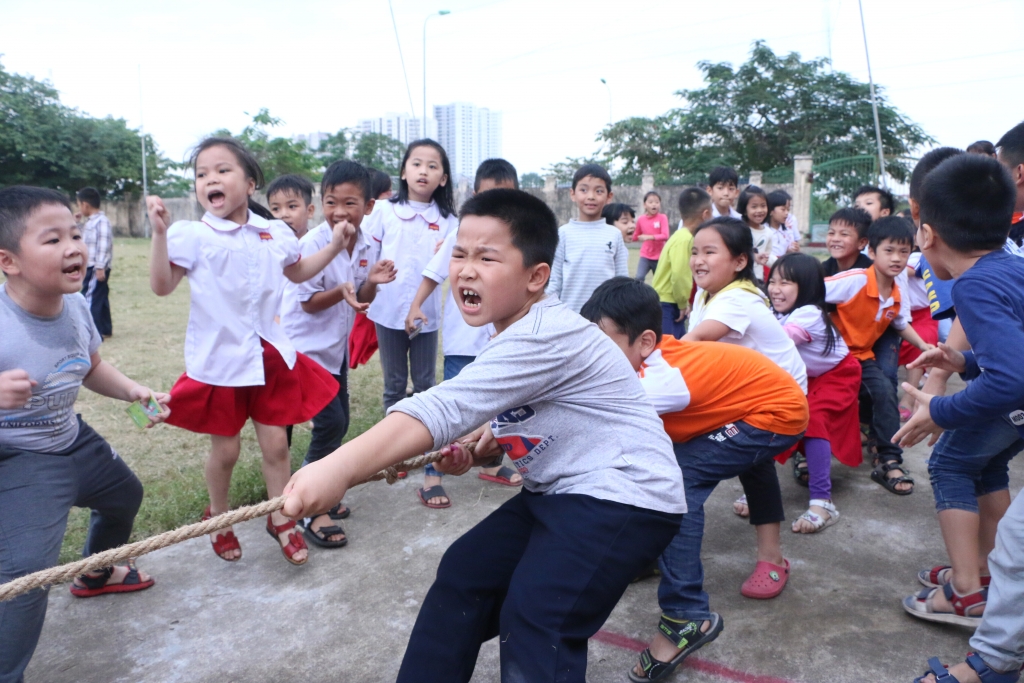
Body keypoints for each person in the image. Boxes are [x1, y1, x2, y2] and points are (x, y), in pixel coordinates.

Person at [281, 189, 687, 683]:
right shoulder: (512, 333)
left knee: (540, 617)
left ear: (536, 277)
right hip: (562, 493)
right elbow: (524, 413)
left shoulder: (544, 332)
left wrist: (337, 466)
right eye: (458, 253)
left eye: (486, 257)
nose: (466, 269)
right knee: (464, 575)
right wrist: (485, 443)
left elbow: (444, 404)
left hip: (625, 497)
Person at [578, 278, 807, 682]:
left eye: (602, 345)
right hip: (743, 403)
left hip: (774, 413)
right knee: (659, 463)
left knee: (678, 484)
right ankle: (654, 553)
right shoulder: (641, 358)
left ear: (645, 341)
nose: (592, 357)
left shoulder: (661, 378)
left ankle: (685, 615)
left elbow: (590, 411)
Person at [147, 137, 347, 566]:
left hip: (270, 358)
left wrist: (332, 248)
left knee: (276, 447)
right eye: (202, 174)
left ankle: (282, 520)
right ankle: (218, 517)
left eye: (222, 170)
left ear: (250, 182)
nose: (209, 180)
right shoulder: (193, 236)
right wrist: (160, 235)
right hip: (222, 364)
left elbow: (296, 273)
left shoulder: (272, 232)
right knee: (227, 450)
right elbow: (162, 286)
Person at [0, 186, 170, 683]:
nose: (74, 246)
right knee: (28, 576)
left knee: (125, 495)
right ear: (8, 260)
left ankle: (95, 572)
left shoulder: (75, 306)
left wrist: (133, 390)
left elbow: (89, 365)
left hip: (73, 437)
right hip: (24, 457)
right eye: (53, 239)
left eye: (76, 233)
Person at [892, 154, 1023, 634]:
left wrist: (942, 411)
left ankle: (967, 590)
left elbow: (1011, 379)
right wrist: (961, 361)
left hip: (1013, 402)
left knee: (948, 462)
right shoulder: (1010, 266)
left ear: (926, 234)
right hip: (1017, 408)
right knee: (984, 464)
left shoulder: (974, 286)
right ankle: (989, 573)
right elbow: (1013, 350)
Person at [281, 160, 396, 546]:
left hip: (334, 352)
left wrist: (373, 283)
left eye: (350, 203)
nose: (340, 212)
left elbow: (359, 297)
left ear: (368, 207)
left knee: (340, 421)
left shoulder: (367, 244)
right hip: (303, 351)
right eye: (331, 202)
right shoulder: (312, 244)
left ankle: (317, 491)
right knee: (330, 423)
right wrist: (344, 292)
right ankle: (308, 506)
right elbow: (310, 302)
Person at [403, 158, 524, 508]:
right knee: (452, 411)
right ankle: (432, 475)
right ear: (474, 196)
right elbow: (434, 273)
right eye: (489, 196)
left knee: (503, 408)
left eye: (505, 197)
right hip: (463, 343)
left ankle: (492, 464)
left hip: (503, 344)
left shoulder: (520, 240)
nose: (497, 206)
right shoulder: (461, 234)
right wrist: (416, 306)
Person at [684, 216, 806, 557]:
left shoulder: (736, 300)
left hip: (779, 407)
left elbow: (691, 344)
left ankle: (669, 564)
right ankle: (772, 557)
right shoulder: (709, 295)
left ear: (739, 261)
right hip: (753, 400)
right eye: (695, 252)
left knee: (684, 471)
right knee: (756, 466)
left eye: (710, 252)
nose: (698, 260)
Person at [825, 217, 932, 495]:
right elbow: (812, 291)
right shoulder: (854, 280)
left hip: (860, 357)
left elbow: (899, 323)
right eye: (889, 251)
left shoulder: (896, 292)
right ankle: (804, 453)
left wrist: (924, 346)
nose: (897, 259)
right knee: (821, 401)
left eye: (904, 252)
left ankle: (889, 458)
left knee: (885, 392)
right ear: (871, 252)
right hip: (828, 358)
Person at [768, 253, 861, 533]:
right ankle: (760, 490)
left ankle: (823, 502)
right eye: (772, 281)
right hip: (808, 376)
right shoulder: (779, 312)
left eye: (785, 282)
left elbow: (778, 344)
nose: (775, 288)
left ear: (806, 286)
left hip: (838, 375)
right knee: (772, 417)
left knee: (814, 420)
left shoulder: (808, 313)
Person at [365, 139, 458, 417]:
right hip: (387, 310)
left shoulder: (450, 221)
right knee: (393, 384)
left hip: (425, 316)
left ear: (442, 179)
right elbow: (368, 253)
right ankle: (393, 450)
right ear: (404, 172)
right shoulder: (383, 211)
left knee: (425, 384)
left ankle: (422, 444)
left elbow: (454, 265)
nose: (423, 171)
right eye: (416, 164)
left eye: (432, 166)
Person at [546, 162, 628, 312]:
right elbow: (555, 281)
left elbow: (622, 282)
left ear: (609, 196)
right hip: (569, 316)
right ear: (573, 194)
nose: (591, 196)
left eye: (598, 191)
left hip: (605, 318)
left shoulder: (614, 235)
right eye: (584, 190)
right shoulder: (563, 234)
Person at [652, 187, 709, 338]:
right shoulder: (685, 240)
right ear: (705, 214)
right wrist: (683, 303)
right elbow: (680, 275)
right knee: (668, 351)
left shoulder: (680, 236)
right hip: (669, 304)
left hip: (670, 302)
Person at [76, 187, 113, 338]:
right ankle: (105, 328)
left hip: (95, 267)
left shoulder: (101, 222)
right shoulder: (90, 222)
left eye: (78, 204)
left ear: (85, 205)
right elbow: (83, 238)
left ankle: (93, 332)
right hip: (93, 266)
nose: (79, 208)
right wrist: (76, 223)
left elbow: (103, 245)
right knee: (101, 296)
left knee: (89, 297)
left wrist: (99, 267)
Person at [821, 207, 873, 276]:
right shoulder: (821, 271)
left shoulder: (871, 273)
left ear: (862, 242)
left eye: (844, 234)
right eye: (831, 233)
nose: (835, 239)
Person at [738, 185, 772, 283]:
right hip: (741, 278)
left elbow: (768, 256)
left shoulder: (768, 232)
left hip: (758, 279)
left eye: (763, 205)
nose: (759, 210)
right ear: (744, 210)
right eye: (754, 207)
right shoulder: (740, 230)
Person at [633, 191, 669, 282]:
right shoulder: (641, 219)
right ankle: (639, 295)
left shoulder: (662, 217)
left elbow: (665, 235)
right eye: (651, 202)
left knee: (659, 281)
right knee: (639, 278)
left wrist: (649, 237)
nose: (654, 205)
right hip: (645, 255)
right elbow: (636, 236)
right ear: (645, 205)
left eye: (657, 202)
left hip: (660, 256)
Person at [267, 173, 316, 239]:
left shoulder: (321, 245)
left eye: (292, 206)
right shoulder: (266, 246)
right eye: (276, 209)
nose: (283, 214)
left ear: (309, 211)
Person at [767, 189, 800, 256]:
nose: (787, 213)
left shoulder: (787, 231)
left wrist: (790, 251)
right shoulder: (764, 230)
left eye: (788, 210)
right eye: (783, 209)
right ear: (771, 211)